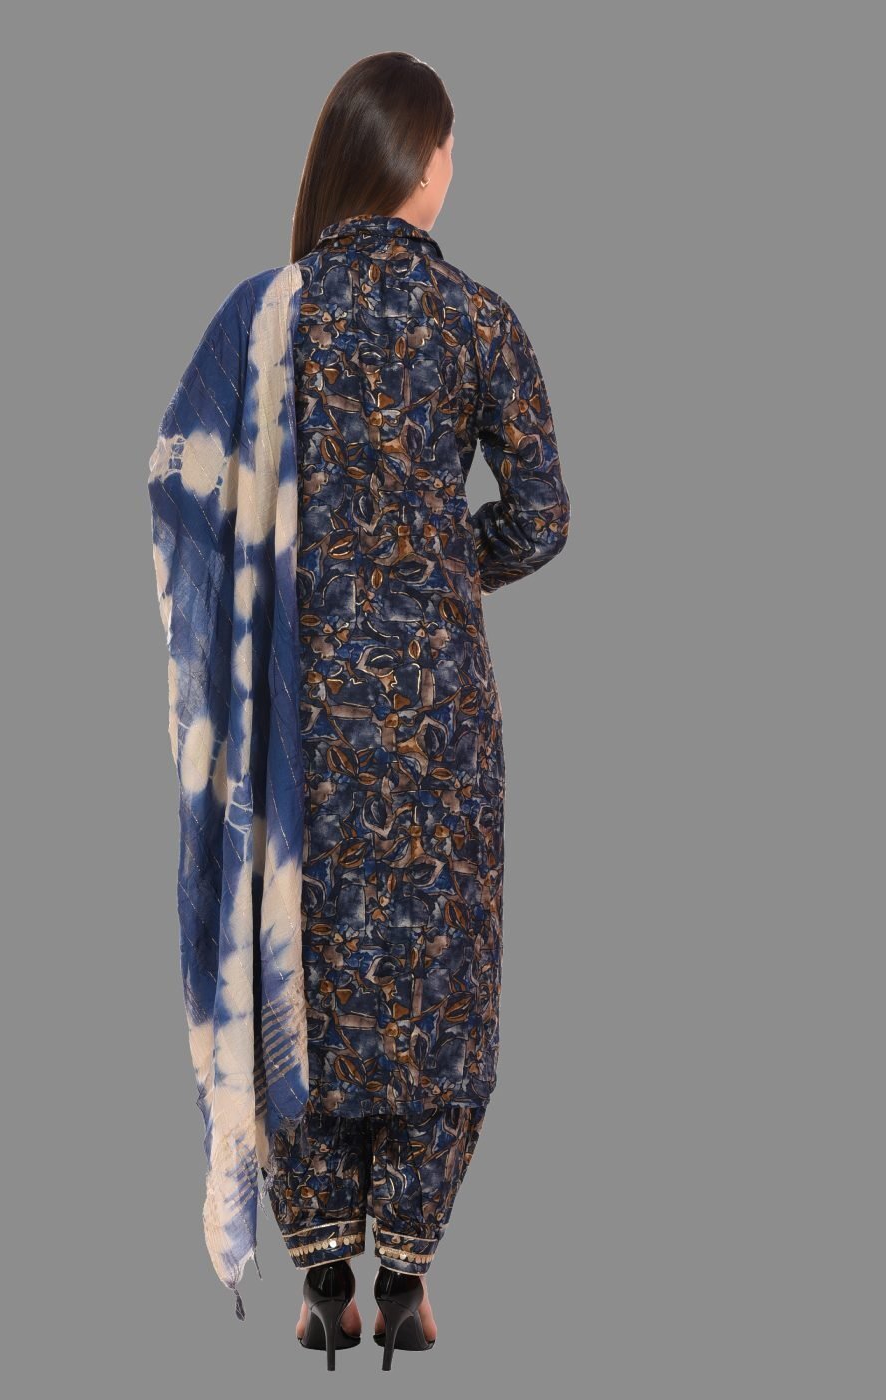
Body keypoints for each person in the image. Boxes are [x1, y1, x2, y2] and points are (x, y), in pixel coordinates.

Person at [264, 51, 572, 1368]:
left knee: (301, 959)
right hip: (438, 706)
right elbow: (542, 515)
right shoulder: (477, 321)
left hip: (299, 700)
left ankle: (320, 1271)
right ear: (426, 161)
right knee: (436, 973)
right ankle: (408, 1270)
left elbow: (203, 503)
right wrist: (442, 573)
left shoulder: (270, 317)